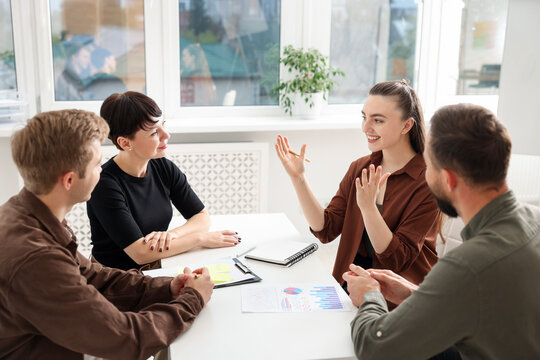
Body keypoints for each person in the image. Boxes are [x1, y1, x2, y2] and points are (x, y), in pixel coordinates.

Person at [0, 109, 214, 359]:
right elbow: (125, 339)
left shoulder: (25, 211)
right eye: (96, 164)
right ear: (69, 180)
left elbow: (91, 277)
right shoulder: (38, 259)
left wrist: (168, 287)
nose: (102, 170)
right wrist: (193, 299)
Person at [344, 103, 540, 359]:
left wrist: (371, 296)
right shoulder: (533, 220)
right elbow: (494, 301)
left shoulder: (468, 266)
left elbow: (374, 347)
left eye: (428, 166)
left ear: (448, 179)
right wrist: (419, 295)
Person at [276, 80, 440, 293]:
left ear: (406, 125)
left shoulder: (427, 181)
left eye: (378, 120)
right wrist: (298, 178)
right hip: (350, 287)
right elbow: (326, 228)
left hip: (395, 301)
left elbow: (396, 260)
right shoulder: (360, 167)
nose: (366, 127)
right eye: (364, 117)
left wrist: (368, 208)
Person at [87, 91, 239, 271]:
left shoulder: (163, 167)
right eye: (154, 133)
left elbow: (201, 217)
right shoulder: (103, 184)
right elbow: (140, 253)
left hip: (157, 267)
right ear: (125, 143)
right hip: (115, 279)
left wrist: (172, 236)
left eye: (163, 125)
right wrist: (200, 239)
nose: (166, 135)